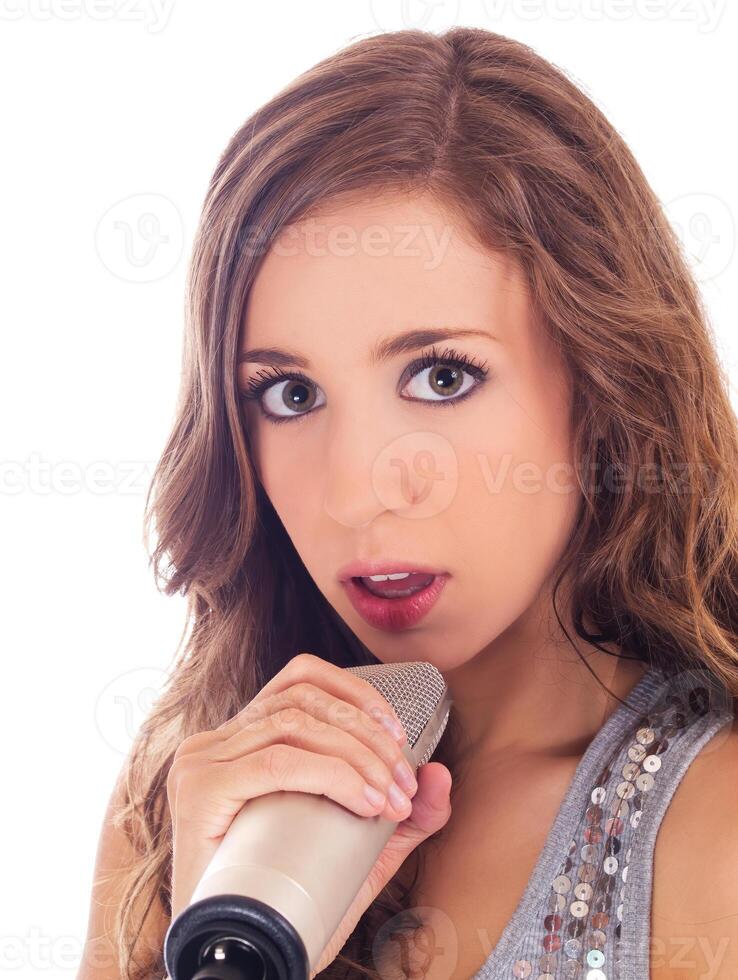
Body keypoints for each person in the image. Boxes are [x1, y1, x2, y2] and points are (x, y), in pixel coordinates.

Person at [78, 26, 738, 980]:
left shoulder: (708, 826)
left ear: (603, 381)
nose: (358, 489)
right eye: (289, 394)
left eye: (440, 377)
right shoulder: (184, 795)